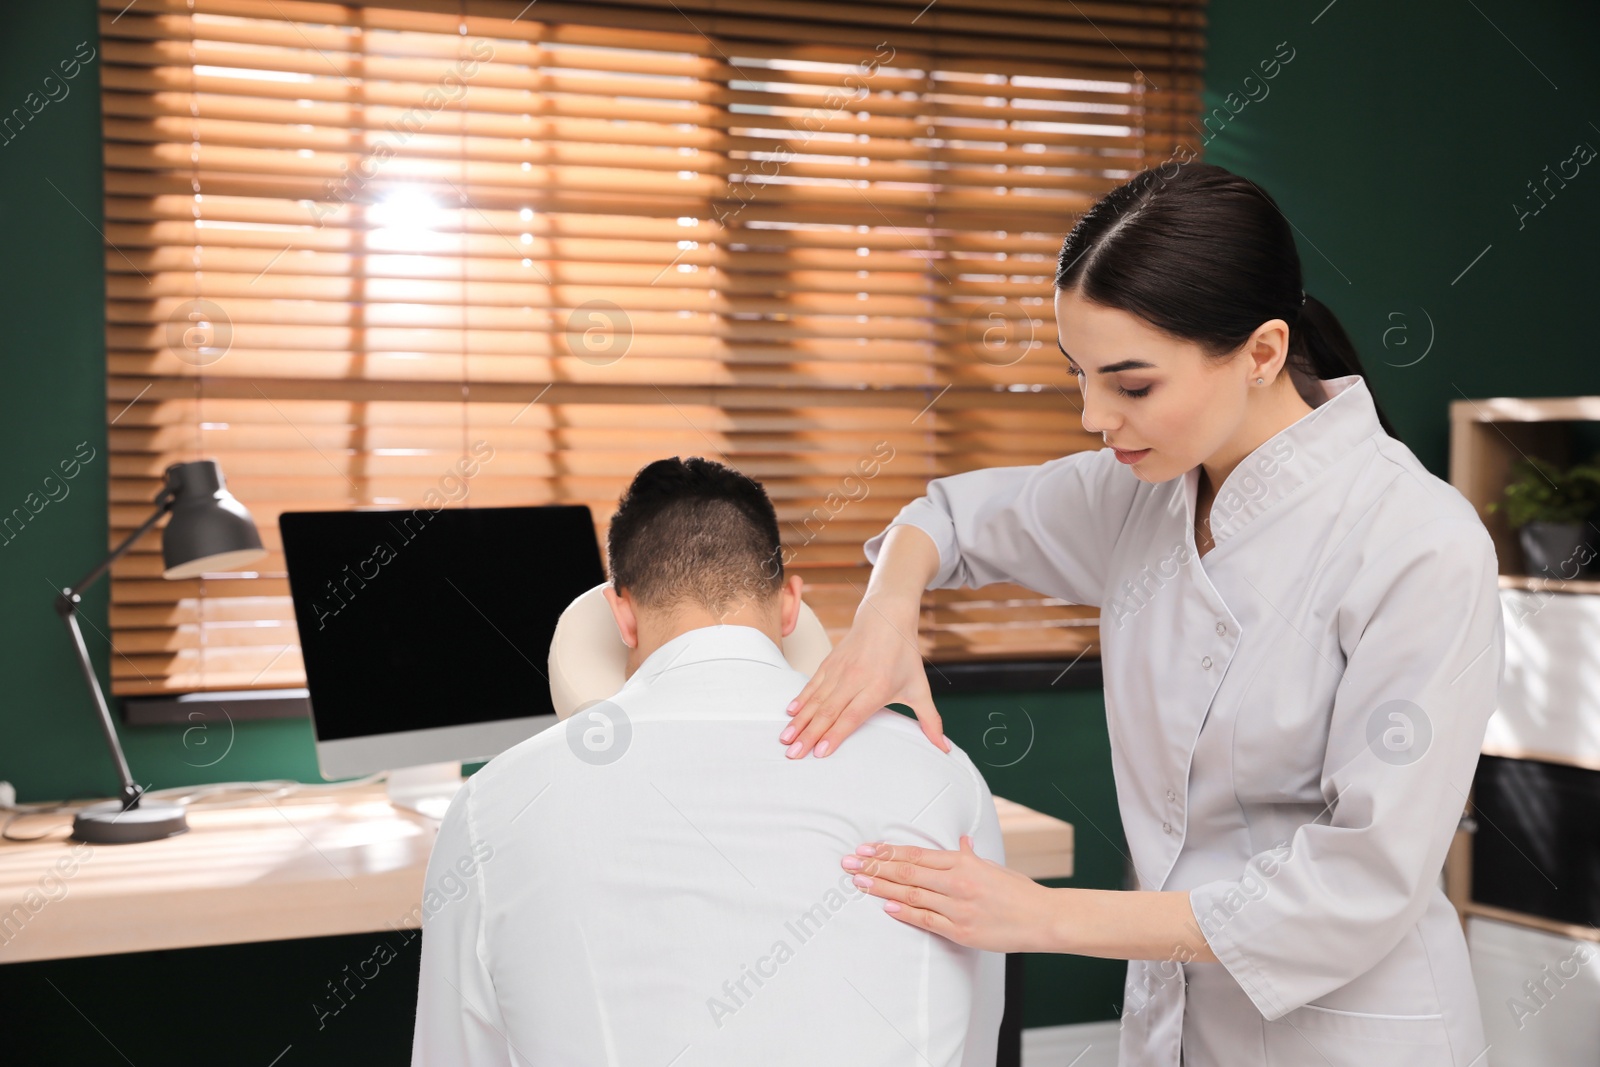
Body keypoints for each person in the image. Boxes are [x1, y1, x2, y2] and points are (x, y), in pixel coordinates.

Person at [779, 163, 1505, 1066]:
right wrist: (888, 611)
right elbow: (945, 519)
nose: (1093, 416)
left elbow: (1360, 881)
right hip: (1174, 1022)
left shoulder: (1419, 542)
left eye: (1131, 384)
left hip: (1352, 1034)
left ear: (1263, 352)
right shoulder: (1145, 491)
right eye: (1079, 375)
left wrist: (1040, 913)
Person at [411, 457, 1007, 1066]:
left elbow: (454, 1052)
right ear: (791, 604)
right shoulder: (941, 775)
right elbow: (974, 1039)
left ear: (621, 615)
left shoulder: (493, 804)